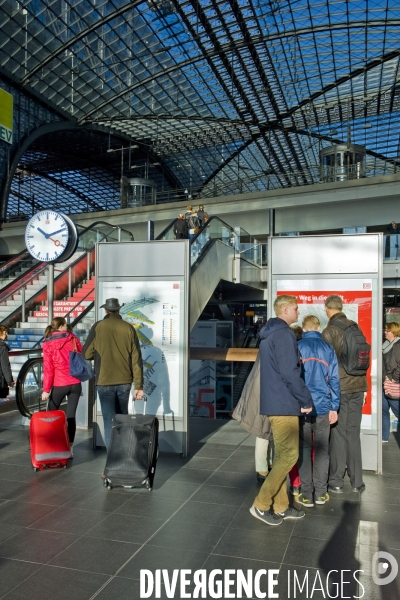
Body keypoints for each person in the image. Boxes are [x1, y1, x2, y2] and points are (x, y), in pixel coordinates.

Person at [249, 295, 313, 527]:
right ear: (285, 310)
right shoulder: (284, 334)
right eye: (296, 309)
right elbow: (290, 372)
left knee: (281, 456)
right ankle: (261, 504)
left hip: (276, 402)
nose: (298, 312)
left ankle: (281, 506)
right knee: (288, 456)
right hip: (284, 404)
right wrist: (305, 399)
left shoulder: (269, 335)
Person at [82, 298, 144, 452]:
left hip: (104, 381)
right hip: (125, 381)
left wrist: (99, 352)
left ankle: (112, 460)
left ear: (106, 310)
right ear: (118, 310)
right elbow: (136, 360)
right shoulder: (128, 328)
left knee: (109, 421)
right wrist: (139, 386)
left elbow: (86, 354)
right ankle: (125, 455)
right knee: (123, 418)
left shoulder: (98, 327)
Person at [322, 294, 367, 493]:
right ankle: (357, 482)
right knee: (353, 433)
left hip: (341, 388)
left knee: (338, 434)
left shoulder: (330, 331)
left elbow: (327, 365)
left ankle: (336, 482)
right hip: (358, 385)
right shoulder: (355, 327)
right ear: (341, 307)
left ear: (327, 309)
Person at [296, 315, 340, 507]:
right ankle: (321, 493)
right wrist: (334, 407)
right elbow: (334, 380)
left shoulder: (297, 346)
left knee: (304, 450)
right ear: (318, 328)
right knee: (322, 451)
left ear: (304, 329)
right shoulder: (327, 348)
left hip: (302, 407)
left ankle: (306, 495)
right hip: (323, 406)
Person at [41, 317, 83, 454]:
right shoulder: (72, 338)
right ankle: (69, 448)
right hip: (75, 383)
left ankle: (52, 444)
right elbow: (80, 353)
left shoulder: (47, 344)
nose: (67, 326)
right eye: (65, 325)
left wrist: (46, 390)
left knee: (51, 414)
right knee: (71, 415)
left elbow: (48, 369)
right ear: (60, 327)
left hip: (60, 384)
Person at [382, 322, 400, 442]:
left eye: (387, 331)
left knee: (396, 409)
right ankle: (384, 437)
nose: (385, 332)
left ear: (393, 332)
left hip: (393, 383)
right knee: (383, 411)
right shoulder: (385, 345)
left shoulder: (397, 345)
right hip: (384, 382)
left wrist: (394, 378)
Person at [0, 326, 14, 401]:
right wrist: (10, 382)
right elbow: (5, 366)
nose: (7, 335)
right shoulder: (2, 347)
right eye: (5, 332)